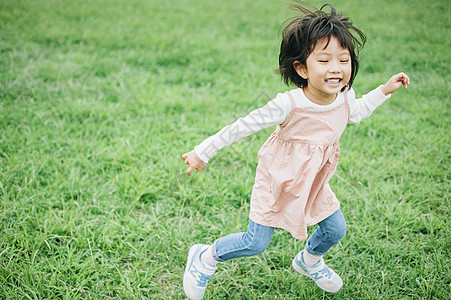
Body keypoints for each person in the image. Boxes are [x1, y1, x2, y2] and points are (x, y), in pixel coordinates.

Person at [181, 2, 410, 299]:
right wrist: (203, 151)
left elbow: (357, 112)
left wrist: (384, 90)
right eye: (324, 60)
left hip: (313, 181)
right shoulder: (289, 104)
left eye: (344, 60)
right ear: (301, 68)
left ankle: (309, 261)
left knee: (335, 229)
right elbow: (243, 126)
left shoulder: (343, 98)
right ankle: (204, 258)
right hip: (278, 179)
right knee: (255, 243)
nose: (336, 69)